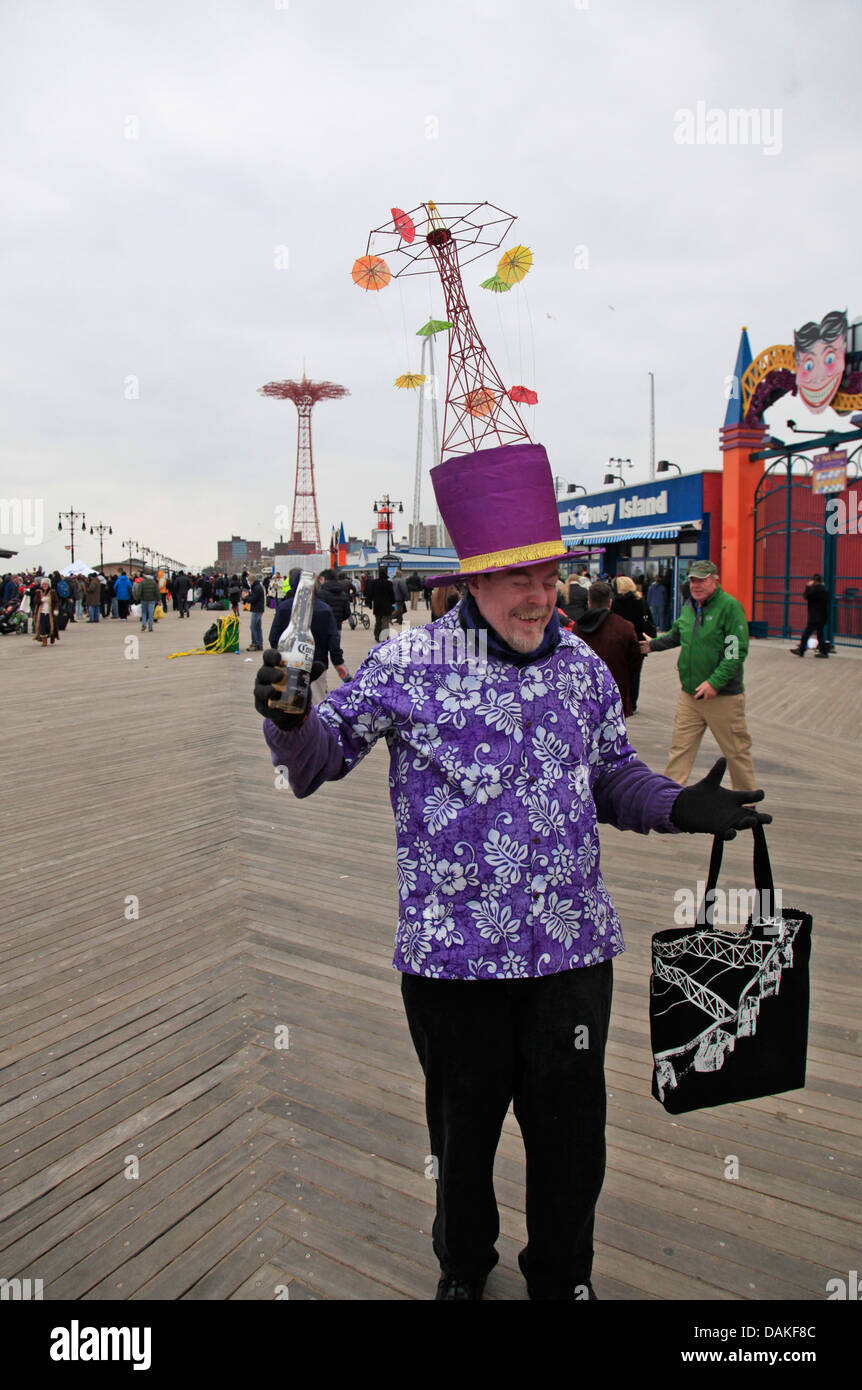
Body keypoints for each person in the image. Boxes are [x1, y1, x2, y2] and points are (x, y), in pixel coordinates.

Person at [254, 440, 770, 1301]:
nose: (542, 595)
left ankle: (563, 1278)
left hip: (571, 955)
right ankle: (464, 1268)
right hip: (452, 959)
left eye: (550, 575)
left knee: (572, 1139)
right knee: (462, 1135)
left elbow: (610, 774)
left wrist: (677, 805)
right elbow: (316, 761)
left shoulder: (582, 672)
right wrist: (288, 718)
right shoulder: (408, 664)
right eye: (520, 578)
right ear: (473, 581)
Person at [641, 559, 757, 790]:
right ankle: (669, 800)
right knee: (680, 749)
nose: (696, 585)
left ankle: (747, 799)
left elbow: (735, 652)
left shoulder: (729, 607)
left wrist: (714, 683)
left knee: (736, 751)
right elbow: (677, 634)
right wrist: (652, 645)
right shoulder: (689, 606)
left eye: (702, 581)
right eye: (693, 580)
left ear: (715, 581)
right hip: (690, 694)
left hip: (722, 696)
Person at [268, 568, 349, 701]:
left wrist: (281, 655)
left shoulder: (284, 608)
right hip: (318, 663)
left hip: (290, 663)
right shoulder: (324, 609)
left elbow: (273, 637)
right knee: (318, 701)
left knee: (290, 702)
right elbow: (333, 640)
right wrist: (338, 661)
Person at [575, 581, 643, 716]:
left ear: (589, 603)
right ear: (610, 603)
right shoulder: (625, 628)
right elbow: (635, 661)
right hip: (616, 691)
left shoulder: (577, 628)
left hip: (586, 693)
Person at [612, 575, 654, 714]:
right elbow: (647, 620)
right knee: (635, 674)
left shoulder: (615, 603)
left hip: (618, 642)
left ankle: (621, 702)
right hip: (637, 641)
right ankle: (633, 703)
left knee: (619, 673)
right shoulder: (640, 601)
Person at [792, 574, 830, 657]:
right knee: (820, 635)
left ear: (814, 582)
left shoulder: (816, 591)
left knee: (806, 634)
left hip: (815, 617)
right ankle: (824, 653)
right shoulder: (823, 590)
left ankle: (801, 650)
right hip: (822, 616)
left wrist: (808, 587)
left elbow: (806, 596)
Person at [371, 567, 396, 641]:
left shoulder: (374, 582)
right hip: (386, 605)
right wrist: (393, 602)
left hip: (377, 605)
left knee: (378, 621)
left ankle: (377, 635)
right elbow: (392, 594)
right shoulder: (389, 583)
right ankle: (385, 637)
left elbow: (371, 593)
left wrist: (370, 601)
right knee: (385, 621)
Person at [34, 579, 60, 647]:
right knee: (42, 627)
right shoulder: (38, 592)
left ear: (48, 585)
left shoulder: (52, 592)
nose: (44, 586)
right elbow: (35, 601)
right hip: (41, 612)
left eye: (46, 584)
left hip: (50, 613)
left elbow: (56, 601)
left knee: (50, 626)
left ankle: (52, 636)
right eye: (43, 584)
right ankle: (44, 641)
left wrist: (56, 609)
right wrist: (41, 600)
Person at [247, 574, 265, 651]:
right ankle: (259, 644)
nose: (249, 582)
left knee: (253, 627)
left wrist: (246, 598)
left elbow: (253, 599)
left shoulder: (256, 588)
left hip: (256, 609)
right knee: (258, 627)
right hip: (259, 609)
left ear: (252, 581)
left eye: (249, 581)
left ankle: (255, 643)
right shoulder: (258, 587)